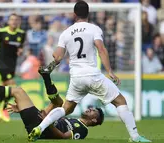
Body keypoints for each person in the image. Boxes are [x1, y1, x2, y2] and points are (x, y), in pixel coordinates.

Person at [28, 1, 151, 142]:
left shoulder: (66, 33)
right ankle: (135, 137)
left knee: (66, 109)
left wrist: (51, 64)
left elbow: (58, 57)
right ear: (88, 13)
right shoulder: (94, 29)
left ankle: (40, 128)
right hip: (92, 75)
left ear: (74, 14)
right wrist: (110, 71)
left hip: (76, 77)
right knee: (120, 101)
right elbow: (101, 49)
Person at [0, 67, 104, 140]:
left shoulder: (82, 131)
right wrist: (22, 109)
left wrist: (47, 122)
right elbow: (50, 115)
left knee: (18, 91)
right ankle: (46, 76)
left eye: (93, 111)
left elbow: (63, 137)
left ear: (94, 119)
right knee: (59, 103)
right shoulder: (74, 119)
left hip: (41, 128)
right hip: (41, 121)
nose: (90, 109)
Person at [0, 13, 26, 121]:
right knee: (12, 86)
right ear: (8, 21)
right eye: (12, 19)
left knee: (4, 89)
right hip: (2, 63)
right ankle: (4, 109)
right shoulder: (1, 32)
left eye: (16, 20)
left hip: (12, 64)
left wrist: (20, 51)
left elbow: (20, 46)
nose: (14, 21)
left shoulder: (22, 34)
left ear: (18, 22)